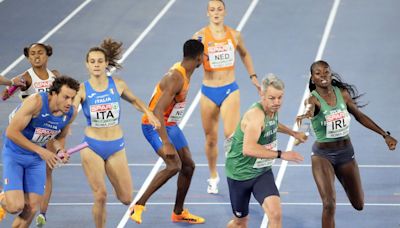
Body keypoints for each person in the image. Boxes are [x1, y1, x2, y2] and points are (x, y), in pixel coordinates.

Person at [296, 60, 397, 228]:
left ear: (330, 73)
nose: (323, 76)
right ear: (313, 79)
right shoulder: (313, 100)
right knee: (329, 204)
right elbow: (308, 113)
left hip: (345, 155)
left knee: (359, 204)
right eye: (318, 73)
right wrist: (304, 128)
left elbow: (359, 115)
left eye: (326, 72)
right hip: (323, 157)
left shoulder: (342, 93)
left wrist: (384, 135)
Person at [72, 38, 160, 228]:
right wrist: (59, 138)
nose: (96, 65)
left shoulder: (117, 85)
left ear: (106, 64)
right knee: (101, 195)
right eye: (92, 61)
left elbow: (135, 100)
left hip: (115, 146)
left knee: (127, 197)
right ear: (87, 65)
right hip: (91, 146)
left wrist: (149, 113)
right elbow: (70, 114)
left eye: (100, 61)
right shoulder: (81, 89)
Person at [130, 39, 205, 224]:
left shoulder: (186, 69)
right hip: (154, 124)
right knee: (174, 165)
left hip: (170, 123)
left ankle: (178, 213)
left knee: (188, 166)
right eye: (204, 56)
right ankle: (138, 206)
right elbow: (157, 111)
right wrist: (166, 142)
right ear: (199, 58)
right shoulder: (176, 78)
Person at [192, 0, 261, 194]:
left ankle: (235, 175)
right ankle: (213, 176)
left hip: (230, 89)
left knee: (230, 136)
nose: (216, 12)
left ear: (225, 12)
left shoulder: (234, 35)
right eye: (212, 10)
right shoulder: (199, 36)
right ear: (207, 13)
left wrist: (253, 76)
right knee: (210, 139)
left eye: (219, 9)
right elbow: (190, 61)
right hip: (208, 91)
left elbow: (245, 55)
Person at [225, 74, 305, 228]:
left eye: (280, 98)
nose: (277, 102)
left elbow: (273, 123)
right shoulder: (255, 116)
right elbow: (248, 149)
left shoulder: (272, 110)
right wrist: (281, 154)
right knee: (240, 222)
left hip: (261, 172)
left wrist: (293, 133)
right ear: (262, 95)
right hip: (240, 174)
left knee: (275, 215)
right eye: (272, 98)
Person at [0, 76, 79, 227]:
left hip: (35, 160)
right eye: (66, 97)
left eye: (72, 98)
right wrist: (41, 151)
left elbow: (60, 137)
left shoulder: (70, 113)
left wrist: (60, 151)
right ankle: (3, 196)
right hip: (15, 154)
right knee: (15, 206)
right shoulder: (35, 102)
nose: (69, 102)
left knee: (31, 208)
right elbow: (11, 132)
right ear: (53, 94)